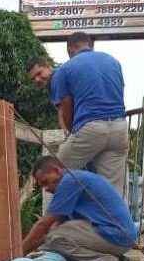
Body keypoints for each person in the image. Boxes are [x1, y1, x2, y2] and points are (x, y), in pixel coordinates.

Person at [27, 32, 128, 195]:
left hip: (91, 129)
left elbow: (65, 110)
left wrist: (73, 133)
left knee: (53, 174)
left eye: (39, 74)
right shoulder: (113, 62)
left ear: (69, 49)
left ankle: (59, 220)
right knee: (111, 192)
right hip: (120, 128)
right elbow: (119, 92)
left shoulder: (65, 70)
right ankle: (112, 220)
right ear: (90, 45)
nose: (38, 79)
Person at [22, 156, 137, 261]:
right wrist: (37, 247)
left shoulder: (69, 181)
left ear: (56, 170)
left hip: (116, 236)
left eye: (46, 182)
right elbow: (55, 225)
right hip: (121, 236)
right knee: (56, 235)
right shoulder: (77, 178)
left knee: (55, 238)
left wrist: (18, 253)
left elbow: (43, 225)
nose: (46, 188)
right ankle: (117, 259)